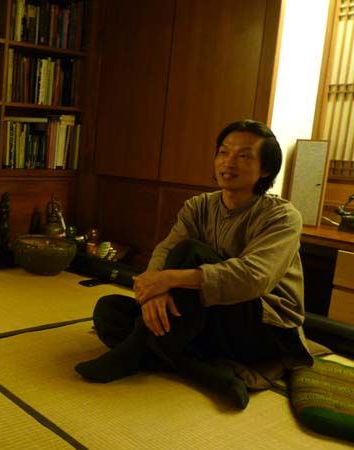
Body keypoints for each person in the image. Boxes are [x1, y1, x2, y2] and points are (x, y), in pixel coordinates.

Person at [75, 120, 312, 409]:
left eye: (243, 156)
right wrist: (155, 291)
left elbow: (254, 278)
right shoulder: (199, 206)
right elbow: (166, 249)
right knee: (109, 312)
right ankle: (203, 372)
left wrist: (169, 280)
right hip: (211, 318)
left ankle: (132, 355)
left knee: (191, 253)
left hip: (264, 328)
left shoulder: (282, 217)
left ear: (265, 169)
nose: (228, 162)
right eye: (223, 152)